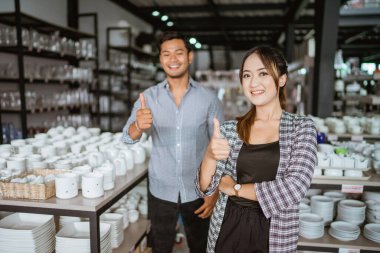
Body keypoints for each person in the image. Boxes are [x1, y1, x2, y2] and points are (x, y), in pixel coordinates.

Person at [196, 45, 317, 253]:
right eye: (247, 75)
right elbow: (206, 187)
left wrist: (235, 189)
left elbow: (295, 187)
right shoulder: (230, 129)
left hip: (274, 231)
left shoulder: (302, 128)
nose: (253, 83)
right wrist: (209, 156)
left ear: (281, 79)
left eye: (262, 73)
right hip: (227, 226)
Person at [122, 31, 224, 253]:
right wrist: (138, 126)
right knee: (160, 248)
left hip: (198, 190)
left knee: (202, 247)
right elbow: (127, 138)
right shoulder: (148, 98)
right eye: (166, 54)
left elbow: (220, 147)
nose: (173, 59)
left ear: (190, 57)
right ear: (160, 59)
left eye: (179, 53)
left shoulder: (208, 98)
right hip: (161, 189)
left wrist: (215, 190)